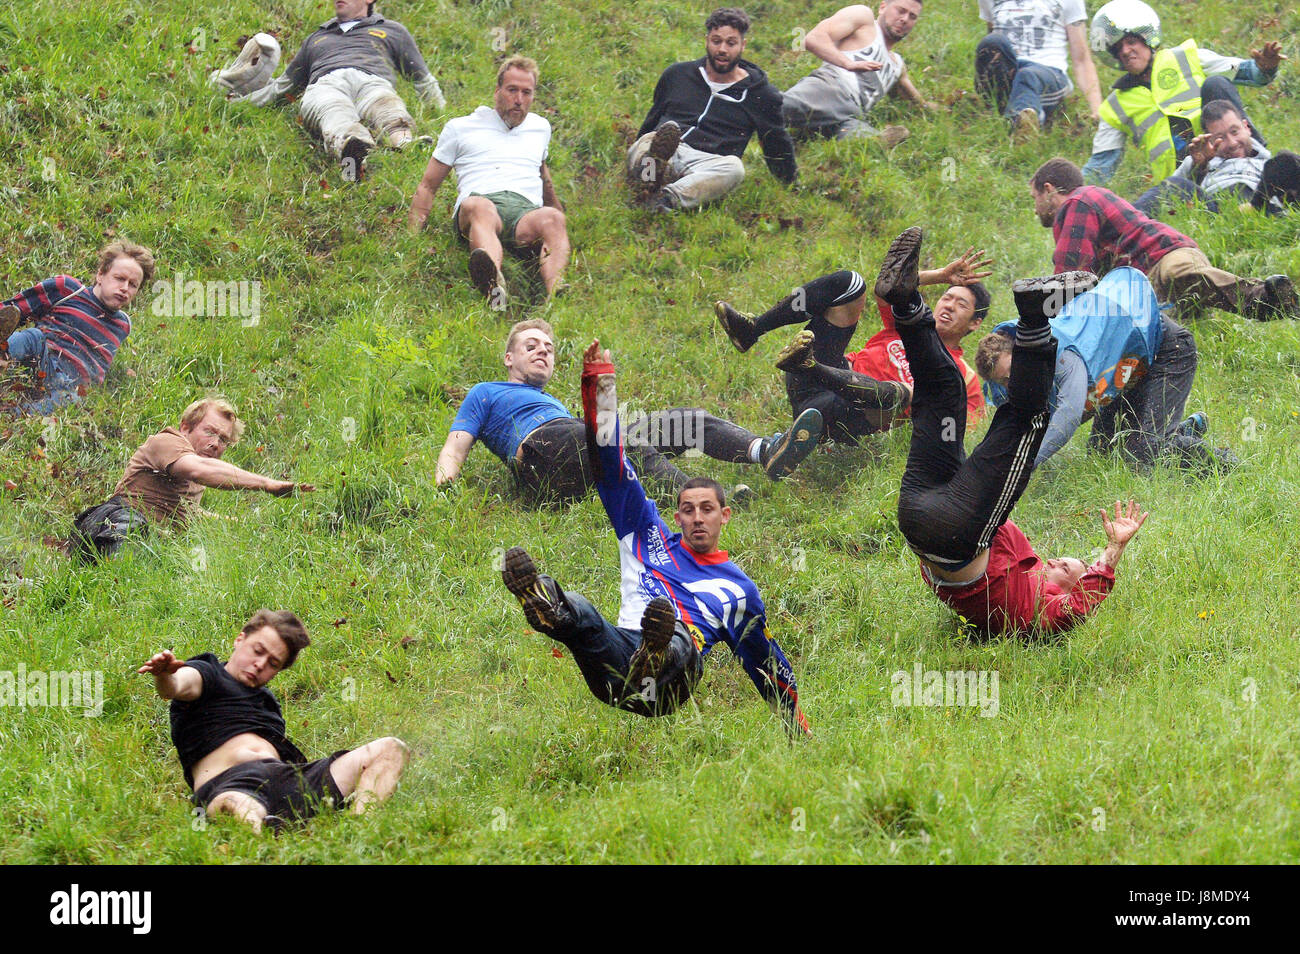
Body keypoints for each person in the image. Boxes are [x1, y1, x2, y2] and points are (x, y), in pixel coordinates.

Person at [500, 339, 811, 734]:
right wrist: (601, 387)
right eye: (688, 509)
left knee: (674, 635)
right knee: (583, 616)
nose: (697, 518)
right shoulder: (645, 534)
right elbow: (610, 465)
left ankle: (656, 649)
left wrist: (796, 726)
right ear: (676, 515)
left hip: (670, 684)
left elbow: (766, 663)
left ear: (724, 516)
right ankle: (546, 602)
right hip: (619, 679)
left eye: (708, 509)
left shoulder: (738, 590)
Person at [878, 227, 1149, 637]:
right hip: (926, 504)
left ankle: (1035, 319)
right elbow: (987, 487)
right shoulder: (1026, 566)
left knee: (1029, 418)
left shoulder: (1038, 614)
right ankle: (905, 299)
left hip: (953, 537)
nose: (1058, 562)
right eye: (1065, 560)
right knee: (943, 391)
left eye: (1066, 571)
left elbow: (1080, 606)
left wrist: (1112, 553)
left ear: (1064, 593)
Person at [436, 319, 822, 503]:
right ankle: (706, 503)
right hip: (543, 454)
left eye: (549, 348)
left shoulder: (551, 403)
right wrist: (444, 488)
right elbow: (456, 446)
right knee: (620, 443)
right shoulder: (486, 392)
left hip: (579, 443)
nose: (543, 351)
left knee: (684, 422)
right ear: (508, 357)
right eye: (531, 345)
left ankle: (766, 452)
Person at [138, 609, 410, 834]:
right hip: (231, 784)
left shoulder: (269, 706)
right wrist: (165, 675)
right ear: (239, 639)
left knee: (391, 748)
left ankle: (357, 834)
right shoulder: (208, 674)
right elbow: (177, 686)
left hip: (290, 781)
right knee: (236, 805)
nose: (260, 664)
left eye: (272, 663)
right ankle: (264, 833)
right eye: (257, 651)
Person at [713, 248, 992, 443]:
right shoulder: (911, 325)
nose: (949, 305)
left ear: (974, 323)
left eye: (961, 304)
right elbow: (887, 288)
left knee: (905, 394)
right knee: (851, 283)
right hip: (816, 380)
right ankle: (752, 330)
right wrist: (942, 275)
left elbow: (966, 433)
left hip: (845, 414)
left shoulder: (963, 377)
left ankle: (803, 397)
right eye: (947, 297)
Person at [976, 267, 1231, 472]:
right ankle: (1181, 431)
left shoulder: (1063, 354)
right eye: (1005, 382)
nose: (1013, 382)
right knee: (1104, 453)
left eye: (1013, 373)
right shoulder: (1014, 376)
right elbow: (1016, 426)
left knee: (1145, 452)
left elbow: (1068, 416)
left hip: (1165, 349)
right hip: (1124, 368)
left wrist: (1023, 466)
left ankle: (1226, 462)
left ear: (1022, 350)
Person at [1030, 157, 1297, 321]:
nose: (1035, 209)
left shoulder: (1077, 202)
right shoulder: (1088, 200)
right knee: (1179, 332)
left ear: (1049, 189)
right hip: (1151, 291)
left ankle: (1267, 297)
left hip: (1163, 259)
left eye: (1035, 199)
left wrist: (1041, 322)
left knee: (1181, 275)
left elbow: (1070, 276)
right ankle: (1271, 305)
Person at [69, 397, 314, 561]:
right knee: (134, 527)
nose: (216, 444)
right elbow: (199, 469)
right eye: (209, 432)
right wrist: (267, 485)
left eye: (224, 440)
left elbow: (188, 513)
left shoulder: (195, 474)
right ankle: (115, 583)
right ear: (186, 427)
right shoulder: (168, 442)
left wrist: (248, 527)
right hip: (111, 526)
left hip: (152, 543)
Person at [408, 57, 569, 304]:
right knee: (480, 206)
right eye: (512, 90)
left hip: (524, 212)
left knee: (554, 218)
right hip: (480, 205)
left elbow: (541, 171)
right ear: (497, 91)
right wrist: (412, 237)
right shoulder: (460, 128)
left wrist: (556, 211)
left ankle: (556, 295)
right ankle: (494, 286)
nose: (519, 99)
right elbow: (428, 185)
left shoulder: (541, 128)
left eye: (526, 93)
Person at [231, 0, 446, 176]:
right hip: (326, 84)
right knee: (334, 112)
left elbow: (423, 80)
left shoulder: (393, 31)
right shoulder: (315, 38)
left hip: (373, 81)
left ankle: (407, 145)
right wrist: (237, 104)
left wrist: (443, 115)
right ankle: (354, 151)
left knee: (387, 107)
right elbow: (282, 88)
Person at [1083, 0, 1285, 185]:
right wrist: (1069, 193)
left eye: (1131, 42)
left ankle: (1261, 161)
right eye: (1118, 48)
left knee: (1216, 83)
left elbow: (1249, 73)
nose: (1126, 51)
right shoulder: (1114, 106)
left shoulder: (1187, 57)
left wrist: (1265, 68)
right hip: (1184, 179)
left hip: (1227, 150)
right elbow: (1101, 165)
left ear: (1146, 38)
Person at [628, 7, 796, 212]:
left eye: (731, 43)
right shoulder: (677, 74)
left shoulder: (761, 95)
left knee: (734, 168)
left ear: (743, 45)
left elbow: (775, 141)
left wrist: (792, 183)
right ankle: (649, 179)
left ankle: (666, 199)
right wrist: (642, 142)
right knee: (647, 144)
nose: (722, 49)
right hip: (666, 148)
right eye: (716, 41)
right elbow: (653, 117)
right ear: (706, 40)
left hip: (705, 164)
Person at [1, 242, 154, 417]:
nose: (125, 288)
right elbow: (13, 309)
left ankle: (12, 417)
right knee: (32, 338)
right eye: (119, 278)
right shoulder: (68, 289)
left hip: (71, 390)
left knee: (73, 400)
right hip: (42, 360)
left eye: (133, 284)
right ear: (100, 275)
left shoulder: (124, 325)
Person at [781, 1, 936, 146]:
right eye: (900, 11)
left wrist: (938, 108)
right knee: (776, 107)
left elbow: (916, 102)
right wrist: (848, 64)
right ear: (883, 7)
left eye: (912, 16)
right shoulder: (864, 19)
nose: (904, 19)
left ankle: (876, 140)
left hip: (851, 115)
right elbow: (812, 39)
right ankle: (758, 92)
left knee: (865, 143)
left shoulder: (897, 66)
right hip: (830, 88)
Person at [1133, 100, 1300, 218]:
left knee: (1288, 160)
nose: (1232, 143)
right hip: (1216, 208)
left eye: (1234, 132)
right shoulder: (1198, 161)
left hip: (1263, 205)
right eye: (1221, 138)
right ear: (1210, 140)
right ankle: (1125, 221)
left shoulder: (1272, 163)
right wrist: (1200, 168)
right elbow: (1169, 194)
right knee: (1174, 184)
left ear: (1246, 127)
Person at [974, 0, 1102, 142]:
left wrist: (1097, 110)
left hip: (1049, 74)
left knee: (1027, 75)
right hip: (1011, 72)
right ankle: (1011, 112)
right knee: (991, 42)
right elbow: (993, 42)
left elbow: (1082, 60)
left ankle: (1021, 128)